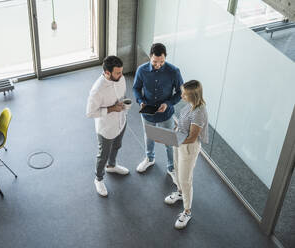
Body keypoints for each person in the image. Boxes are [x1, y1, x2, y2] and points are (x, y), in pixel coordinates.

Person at [133, 43, 184, 180]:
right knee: (149, 136)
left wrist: (168, 103)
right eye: (155, 62)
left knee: (169, 141)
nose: (158, 65)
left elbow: (181, 92)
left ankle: (171, 167)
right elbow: (136, 88)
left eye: (161, 61)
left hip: (166, 114)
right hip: (147, 111)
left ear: (165, 58)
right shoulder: (141, 70)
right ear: (150, 57)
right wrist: (140, 100)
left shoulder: (174, 71)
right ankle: (150, 159)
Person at [164, 80, 208, 229]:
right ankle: (180, 193)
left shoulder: (199, 112)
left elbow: (193, 137)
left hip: (188, 147)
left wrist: (175, 139)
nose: (181, 95)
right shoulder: (190, 105)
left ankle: (187, 211)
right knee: (177, 169)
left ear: (193, 96)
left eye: (185, 94)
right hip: (180, 141)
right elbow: (184, 124)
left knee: (185, 179)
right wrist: (176, 130)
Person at [86, 56, 129, 197]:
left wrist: (123, 105)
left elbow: (121, 95)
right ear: (107, 72)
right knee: (102, 154)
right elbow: (90, 113)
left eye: (121, 72)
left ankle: (112, 166)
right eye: (118, 73)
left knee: (117, 145)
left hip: (121, 121)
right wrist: (111, 109)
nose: (121, 75)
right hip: (106, 128)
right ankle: (98, 179)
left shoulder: (120, 78)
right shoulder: (97, 90)